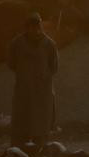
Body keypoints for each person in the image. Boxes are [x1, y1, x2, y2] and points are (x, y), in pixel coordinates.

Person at [8, 13, 59, 147]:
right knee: (22, 120)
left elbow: (54, 66)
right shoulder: (17, 44)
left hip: (43, 88)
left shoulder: (49, 44)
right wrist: (24, 74)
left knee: (41, 123)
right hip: (24, 88)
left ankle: (41, 148)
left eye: (37, 27)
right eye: (32, 27)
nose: (35, 30)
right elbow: (11, 63)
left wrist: (42, 76)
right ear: (27, 28)